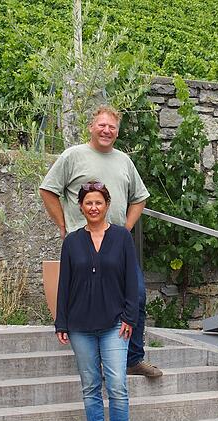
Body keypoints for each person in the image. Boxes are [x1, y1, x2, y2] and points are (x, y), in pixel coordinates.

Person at [39, 105, 161, 378]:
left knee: (137, 296)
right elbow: (47, 190)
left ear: (117, 132)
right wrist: (63, 225)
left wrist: (127, 227)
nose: (107, 131)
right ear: (91, 127)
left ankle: (133, 358)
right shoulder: (73, 156)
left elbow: (140, 197)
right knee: (90, 300)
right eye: (102, 125)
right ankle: (99, 362)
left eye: (112, 127)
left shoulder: (124, 161)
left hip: (117, 245)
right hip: (83, 244)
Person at [54, 181, 138, 421]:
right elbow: (64, 284)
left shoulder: (122, 237)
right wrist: (60, 321)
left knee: (116, 385)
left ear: (107, 205)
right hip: (79, 325)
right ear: (80, 206)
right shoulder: (72, 242)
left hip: (115, 323)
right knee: (90, 386)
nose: (93, 207)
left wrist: (130, 317)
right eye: (88, 203)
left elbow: (131, 281)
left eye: (98, 202)